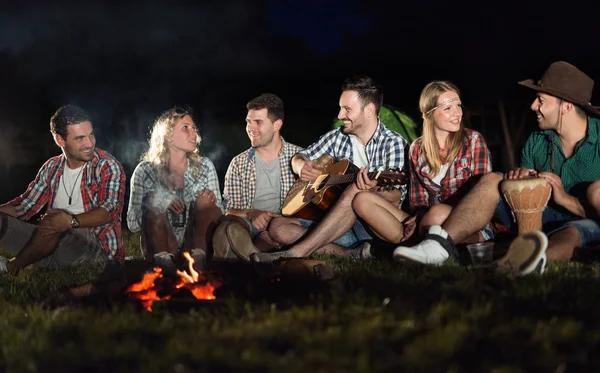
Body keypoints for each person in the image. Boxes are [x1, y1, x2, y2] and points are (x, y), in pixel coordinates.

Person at [393, 61, 600, 274]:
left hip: (585, 221)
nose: (533, 106)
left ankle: (525, 265)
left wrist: (565, 199)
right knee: (492, 179)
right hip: (536, 215)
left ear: (566, 106)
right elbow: (525, 191)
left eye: (540, 100)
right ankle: (439, 245)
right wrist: (519, 177)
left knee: (573, 231)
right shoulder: (536, 141)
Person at [252, 75, 409, 263]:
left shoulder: (393, 143)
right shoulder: (338, 137)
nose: (341, 115)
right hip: (335, 225)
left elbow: (396, 197)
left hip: (371, 228)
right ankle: (352, 255)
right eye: (341, 108)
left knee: (357, 188)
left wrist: (370, 188)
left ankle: (296, 253)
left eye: (347, 109)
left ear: (369, 110)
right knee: (278, 227)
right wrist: (302, 166)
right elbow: (299, 157)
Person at [0, 105, 126, 274]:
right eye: (80, 138)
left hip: (95, 252)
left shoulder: (107, 165)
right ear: (60, 140)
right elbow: (24, 206)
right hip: (50, 246)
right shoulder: (52, 167)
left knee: (53, 220)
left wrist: (70, 221)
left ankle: (10, 267)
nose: (89, 143)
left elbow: (110, 210)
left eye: (91, 135)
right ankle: (43, 260)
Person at [127, 106, 223, 269]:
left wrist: (207, 202)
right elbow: (132, 224)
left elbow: (219, 213)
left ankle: (197, 263)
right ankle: (165, 267)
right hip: (160, 245)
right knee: (152, 198)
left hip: (194, 244)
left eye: (194, 128)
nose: (194, 133)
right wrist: (160, 200)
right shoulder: (145, 170)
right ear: (168, 137)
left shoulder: (205, 166)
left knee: (205, 201)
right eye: (185, 128)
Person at [212, 93, 303, 261]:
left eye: (258, 122)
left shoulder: (299, 157)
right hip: (250, 225)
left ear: (277, 125)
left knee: (271, 235)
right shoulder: (238, 163)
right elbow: (230, 209)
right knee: (229, 225)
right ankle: (252, 253)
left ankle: (247, 255)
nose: (250, 128)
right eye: (248, 122)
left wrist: (278, 223)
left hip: (284, 226)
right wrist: (253, 213)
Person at [407, 81, 493, 241]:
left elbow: (481, 195)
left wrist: (435, 212)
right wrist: (419, 214)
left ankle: (423, 244)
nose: (458, 113)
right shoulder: (416, 148)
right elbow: (417, 198)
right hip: (431, 217)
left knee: (436, 214)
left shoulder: (473, 140)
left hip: (470, 220)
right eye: (448, 108)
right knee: (363, 201)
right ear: (428, 114)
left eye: (458, 105)